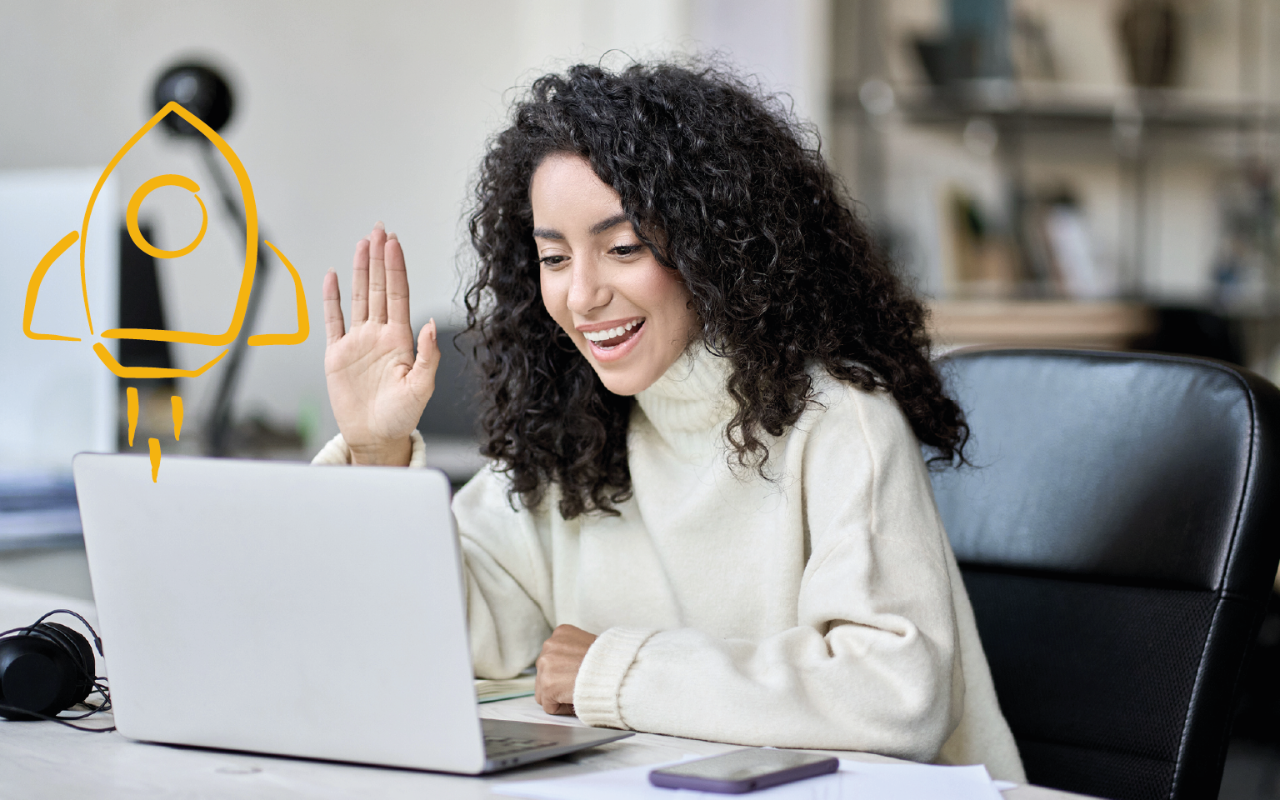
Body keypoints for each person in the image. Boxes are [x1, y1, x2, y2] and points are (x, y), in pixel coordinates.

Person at [314, 62, 1025, 781]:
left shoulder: (840, 420)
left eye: (623, 248)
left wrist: (615, 671)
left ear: (718, 245)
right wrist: (376, 453)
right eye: (554, 257)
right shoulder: (570, 433)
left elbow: (895, 695)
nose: (583, 294)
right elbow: (439, 636)